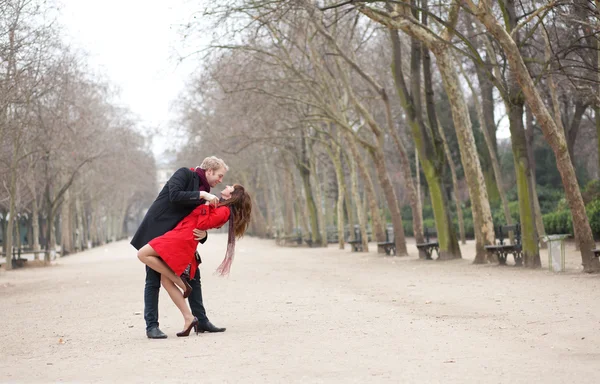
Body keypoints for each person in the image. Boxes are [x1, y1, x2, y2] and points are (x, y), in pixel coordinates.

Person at [130, 156, 228, 339]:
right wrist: (202, 195)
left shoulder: (207, 192)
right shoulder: (184, 174)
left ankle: (201, 320)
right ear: (209, 171)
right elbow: (174, 196)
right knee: (153, 280)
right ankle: (151, 326)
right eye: (219, 176)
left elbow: (199, 219)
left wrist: (204, 234)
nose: (220, 181)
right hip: (158, 231)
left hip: (179, 237)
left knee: (194, 276)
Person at [137, 184, 252, 336]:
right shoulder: (220, 205)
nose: (226, 185)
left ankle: (180, 282)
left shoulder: (225, 210)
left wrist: (205, 203)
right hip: (180, 234)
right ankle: (189, 318)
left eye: (231, 187)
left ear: (233, 195)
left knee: (142, 254)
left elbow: (203, 224)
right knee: (165, 282)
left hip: (180, 238)